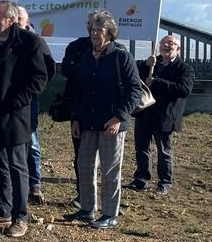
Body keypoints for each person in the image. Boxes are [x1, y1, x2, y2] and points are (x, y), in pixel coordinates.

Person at [0, 0, 49, 238]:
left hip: (14, 116)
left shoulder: (29, 42)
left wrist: (15, 101)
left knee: (17, 166)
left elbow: (39, 77)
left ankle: (20, 216)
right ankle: (2, 209)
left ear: (12, 19)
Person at [65, 14, 144, 229]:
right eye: (91, 30)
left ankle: (110, 213)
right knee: (85, 165)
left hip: (112, 123)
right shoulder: (86, 57)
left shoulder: (120, 56)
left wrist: (119, 116)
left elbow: (134, 90)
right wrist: (75, 118)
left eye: (98, 31)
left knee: (110, 169)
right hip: (87, 122)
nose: (93, 35)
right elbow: (79, 91)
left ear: (109, 34)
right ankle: (87, 209)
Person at [127, 34, 194, 196]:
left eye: (171, 43)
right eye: (163, 42)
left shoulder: (184, 68)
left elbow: (184, 90)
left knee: (164, 150)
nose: (166, 45)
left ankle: (165, 181)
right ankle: (141, 178)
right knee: (142, 148)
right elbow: (135, 79)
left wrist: (157, 82)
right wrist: (144, 65)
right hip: (145, 113)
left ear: (178, 48)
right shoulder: (152, 63)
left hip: (165, 115)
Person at [60, 11, 110, 203]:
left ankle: (106, 200)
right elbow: (66, 69)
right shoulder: (76, 46)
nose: (93, 29)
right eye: (90, 24)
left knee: (107, 159)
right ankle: (84, 195)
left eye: (98, 26)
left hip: (106, 112)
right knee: (82, 155)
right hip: (80, 108)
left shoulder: (115, 50)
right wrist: (88, 67)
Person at [15, 6, 56, 205]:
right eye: (14, 19)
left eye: (20, 19)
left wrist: (32, 89)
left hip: (28, 100)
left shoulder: (36, 41)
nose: (17, 22)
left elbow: (48, 68)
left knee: (31, 141)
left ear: (27, 20)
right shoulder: (7, 40)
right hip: (9, 102)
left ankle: (35, 184)